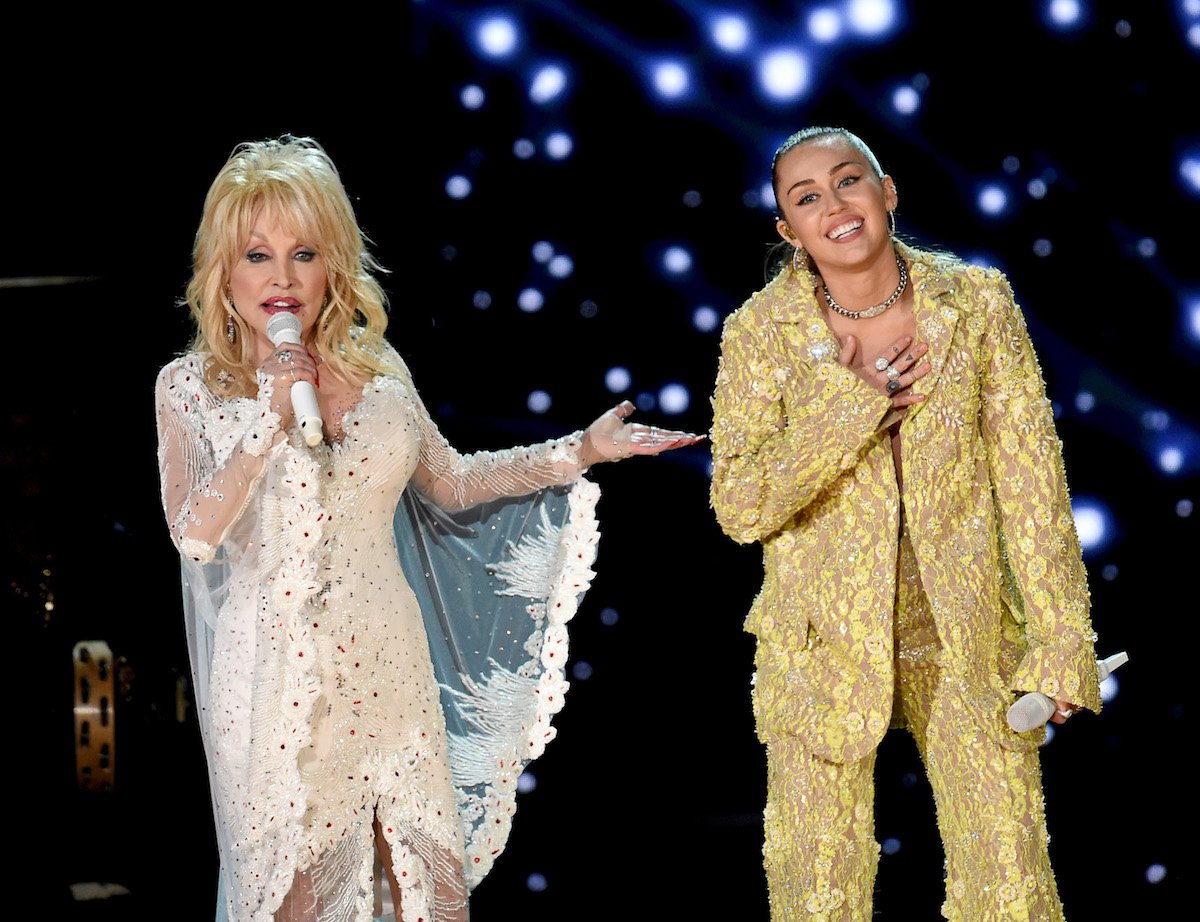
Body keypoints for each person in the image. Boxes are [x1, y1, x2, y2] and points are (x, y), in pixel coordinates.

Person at [154, 134, 702, 922]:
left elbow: (454, 482)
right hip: (278, 685)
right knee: (296, 903)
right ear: (223, 269)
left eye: (304, 253)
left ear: (332, 263)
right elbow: (192, 534)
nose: (282, 278)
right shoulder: (189, 386)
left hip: (390, 665)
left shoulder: (377, 366)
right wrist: (266, 422)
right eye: (257, 255)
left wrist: (579, 450)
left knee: (432, 897)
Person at [707, 126, 1103, 921]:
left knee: (1011, 883)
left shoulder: (977, 303)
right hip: (818, 645)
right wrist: (851, 406)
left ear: (887, 192)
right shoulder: (759, 334)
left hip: (966, 635)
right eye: (807, 198)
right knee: (817, 896)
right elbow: (741, 507)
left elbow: (1032, 486)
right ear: (789, 230)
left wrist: (1061, 644)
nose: (834, 205)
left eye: (848, 180)